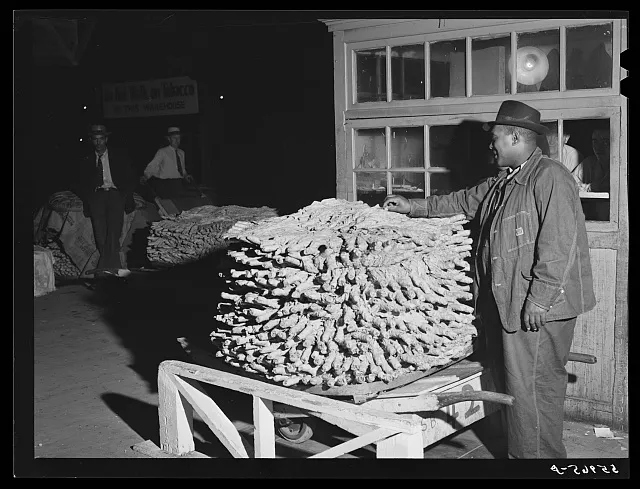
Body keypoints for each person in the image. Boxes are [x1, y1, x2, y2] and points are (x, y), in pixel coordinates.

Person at [383, 100, 596, 459]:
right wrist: (413, 207)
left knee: (532, 390)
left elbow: (560, 246)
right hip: (515, 300)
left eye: (496, 137)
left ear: (515, 136)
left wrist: (539, 301)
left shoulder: (550, 178)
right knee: (524, 388)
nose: (491, 144)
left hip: (538, 307)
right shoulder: (504, 182)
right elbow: (463, 201)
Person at [73, 124, 136, 278]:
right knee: (100, 234)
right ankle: (112, 269)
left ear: (106, 139)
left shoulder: (118, 156)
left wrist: (124, 195)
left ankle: (105, 271)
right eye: (95, 140)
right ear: (91, 141)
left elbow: (130, 177)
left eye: (101, 139)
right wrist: (89, 196)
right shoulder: (86, 160)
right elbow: (78, 183)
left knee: (114, 232)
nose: (98, 143)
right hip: (97, 197)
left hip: (115, 194)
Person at [140, 126, 205, 212]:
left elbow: (182, 169)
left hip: (178, 183)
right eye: (174, 138)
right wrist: (146, 176)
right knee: (172, 206)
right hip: (166, 185)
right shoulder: (162, 152)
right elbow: (153, 166)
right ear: (169, 139)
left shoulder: (182, 153)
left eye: (178, 138)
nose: (177, 141)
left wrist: (186, 176)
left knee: (184, 204)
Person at [575, 124, 611, 220]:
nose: (599, 147)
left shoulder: (621, 166)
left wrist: (589, 187)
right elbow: (570, 183)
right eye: (595, 142)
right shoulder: (588, 163)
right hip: (591, 221)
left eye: (606, 142)